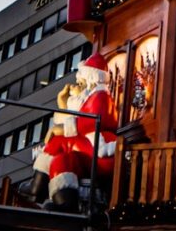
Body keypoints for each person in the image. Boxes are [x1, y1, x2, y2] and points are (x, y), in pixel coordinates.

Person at [24, 52, 118, 212]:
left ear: (90, 80)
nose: (78, 86)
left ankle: (36, 186)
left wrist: (61, 129)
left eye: (81, 83)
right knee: (63, 159)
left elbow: (92, 123)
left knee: (59, 141)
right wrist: (64, 105)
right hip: (90, 149)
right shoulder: (91, 96)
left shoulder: (101, 96)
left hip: (102, 154)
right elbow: (78, 119)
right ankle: (65, 202)